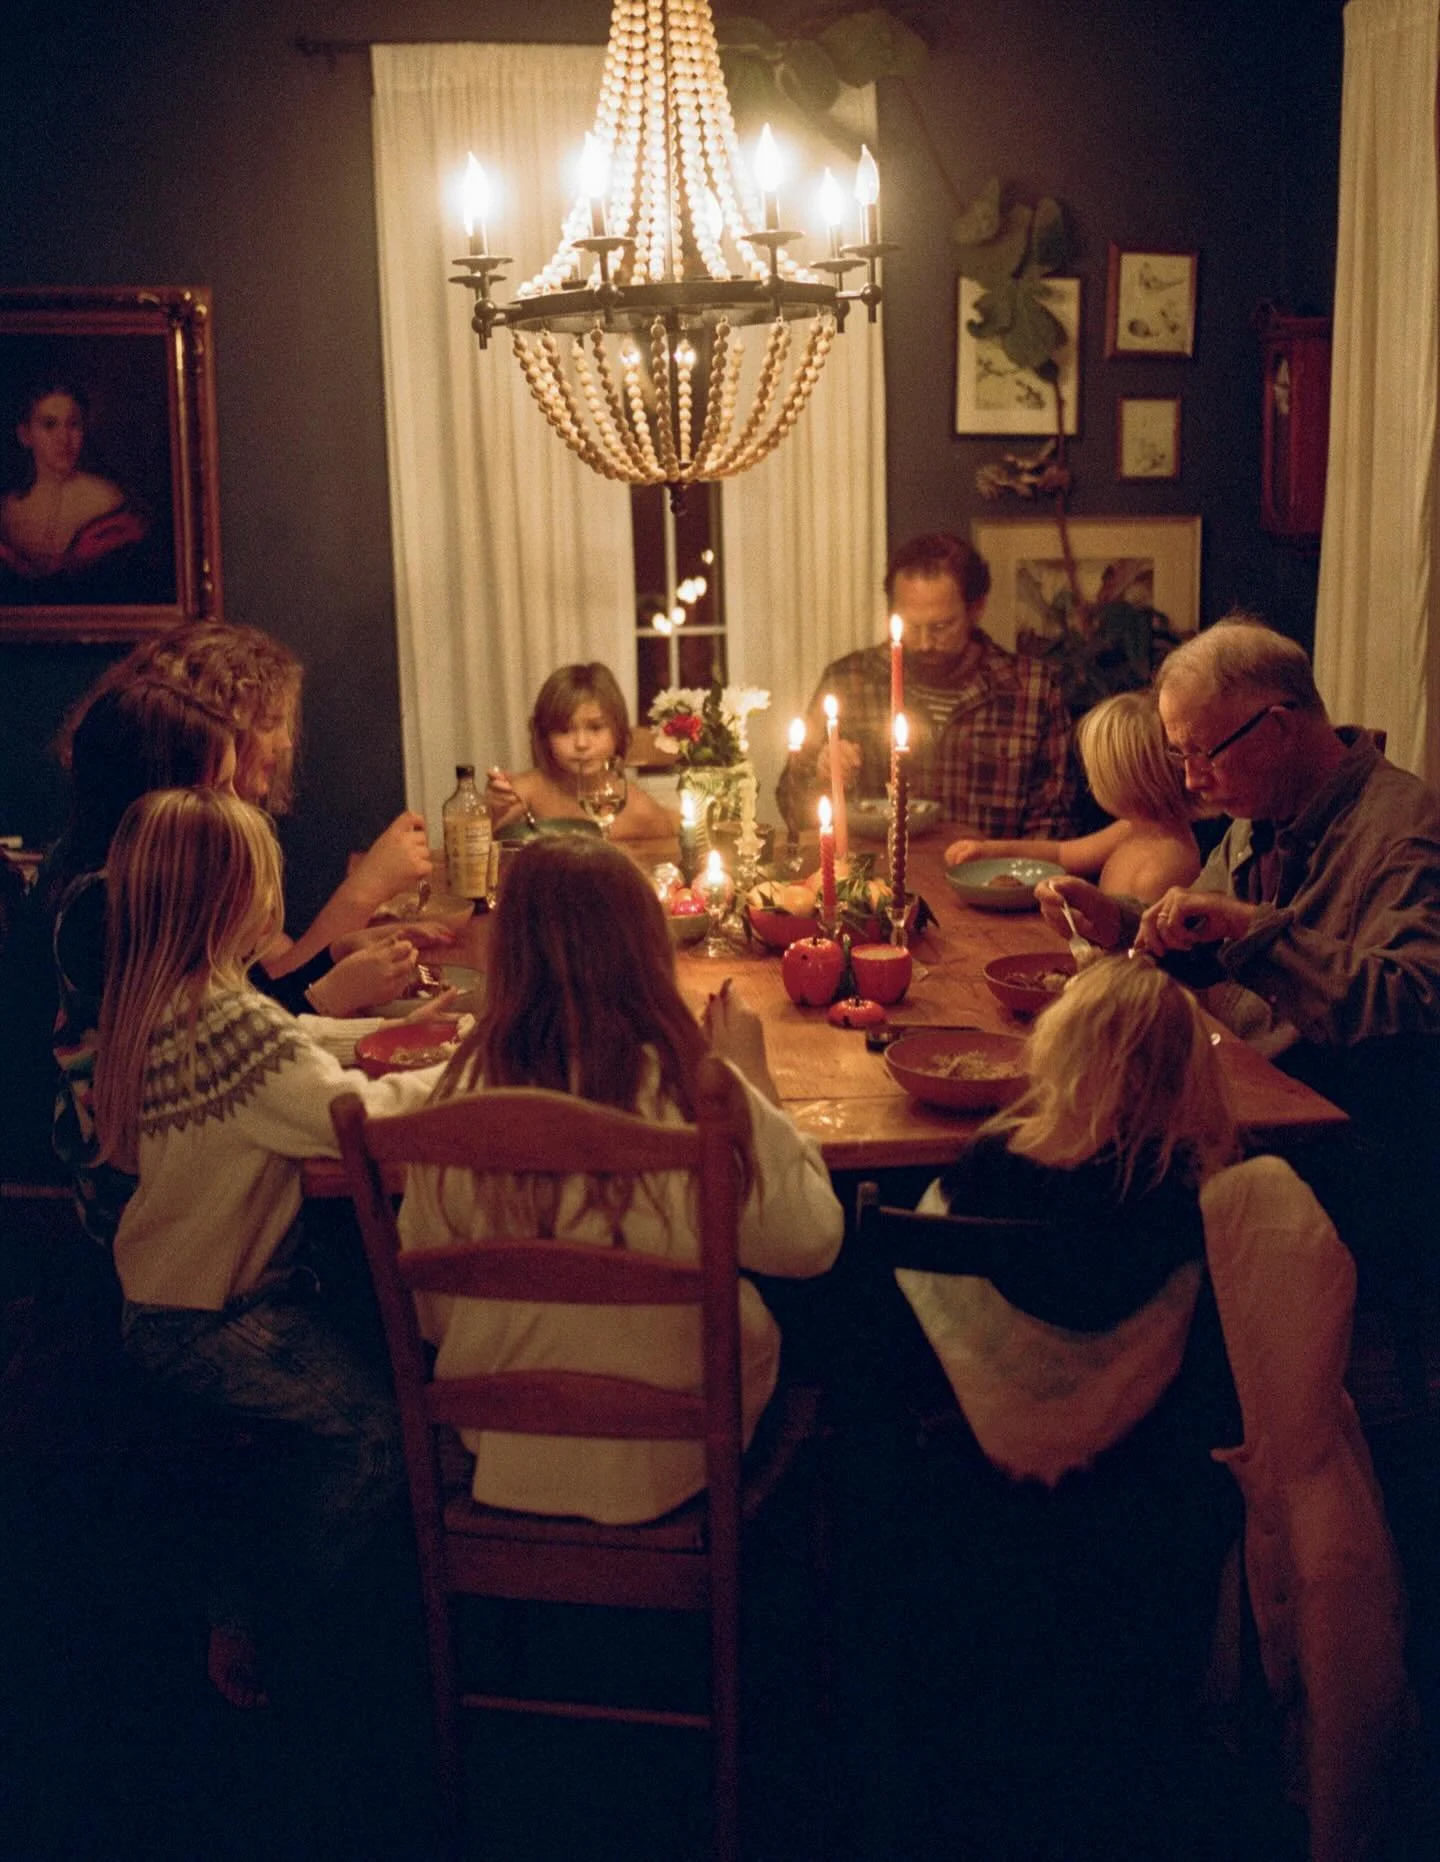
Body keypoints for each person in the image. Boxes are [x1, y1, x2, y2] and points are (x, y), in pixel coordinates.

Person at [92, 787, 449, 1693]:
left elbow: (298, 1041)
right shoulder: (236, 1028)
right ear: (233, 900)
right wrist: (473, 1073)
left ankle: (267, 1596)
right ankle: (266, 1617)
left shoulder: (170, 1007)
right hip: (214, 1316)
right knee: (376, 1435)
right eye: (266, 875)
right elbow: (355, 1117)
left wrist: (397, 1032)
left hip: (165, 1299)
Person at [396, 833, 844, 1526]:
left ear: (507, 959)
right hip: (683, 1454)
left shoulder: (450, 1107)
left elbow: (431, 1316)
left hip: (510, 1449)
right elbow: (812, 1243)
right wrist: (752, 1076)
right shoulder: (697, 1093)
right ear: (647, 954)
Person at [1036, 614, 1440, 1272]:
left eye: (1203, 753)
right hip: (1252, 1105)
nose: (1191, 780)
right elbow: (1206, 934)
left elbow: (1414, 1002)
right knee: (1064, 1116)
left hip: (1350, 1149)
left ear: (1277, 727)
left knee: (1096, 1162)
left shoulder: (1403, 823)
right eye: (1180, 755)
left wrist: (1252, 930)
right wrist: (1114, 918)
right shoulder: (1260, 812)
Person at [42, 678, 424, 1249]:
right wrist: (324, 992)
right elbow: (228, 1039)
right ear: (165, 798)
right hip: (149, 1203)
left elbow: (234, 1012)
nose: (237, 802)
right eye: (219, 786)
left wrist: (330, 964)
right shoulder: (110, 906)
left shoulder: (124, 881)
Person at [67, 620, 441, 999]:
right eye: (268, 723)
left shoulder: (189, 854)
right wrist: (366, 890)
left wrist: (341, 951)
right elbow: (243, 1015)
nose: (287, 743)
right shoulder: (118, 894)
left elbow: (265, 980)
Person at [780, 531, 1075, 835]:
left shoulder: (1034, 690)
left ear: (977, 609)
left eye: (941, 627)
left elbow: (1052, 823)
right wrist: (823, 777)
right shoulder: (848, 682)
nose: (923, 643)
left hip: (989, 877)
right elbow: (793, 810)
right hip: (874, 877)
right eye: (910, 625)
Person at [943, 688, 1200, 902]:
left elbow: (1138, 953)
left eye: (1096, 773)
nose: (1089, 782)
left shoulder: (1165, 867)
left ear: (1129, 782)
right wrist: (990, 850)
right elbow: (1061, 855)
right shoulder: (1135, 829)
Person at [484, 661, 675, 841]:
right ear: (544, 737)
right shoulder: (524, 792)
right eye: (564, 730)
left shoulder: (639, 808)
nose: (581, 744)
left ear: (618, 731)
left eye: (595, 728)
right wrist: (495, 812)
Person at [0, 382, 149, 591]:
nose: (64, 438)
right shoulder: (7, 509)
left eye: (73, 424)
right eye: (50, 425)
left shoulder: (107, 500)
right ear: (25, 435)